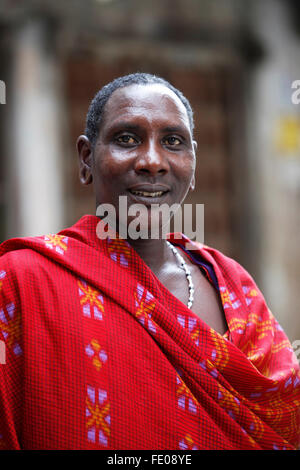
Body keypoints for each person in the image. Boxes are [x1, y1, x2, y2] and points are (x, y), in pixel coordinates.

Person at [0, 73, 299, 450]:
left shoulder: (232, 283)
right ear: (86, 158)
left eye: (173, 142)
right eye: (127, 139)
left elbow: (282, 416)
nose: (153, 161)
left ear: (192, 163)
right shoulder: (22, 283)